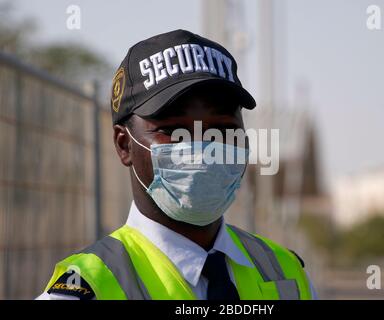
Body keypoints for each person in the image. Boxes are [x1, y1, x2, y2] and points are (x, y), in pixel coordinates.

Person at [37, 29, 316, 300]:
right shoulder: (89, 289)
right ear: (124, 145)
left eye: (222, 130)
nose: (203, 150)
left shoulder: (285, 272)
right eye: (173, 130)